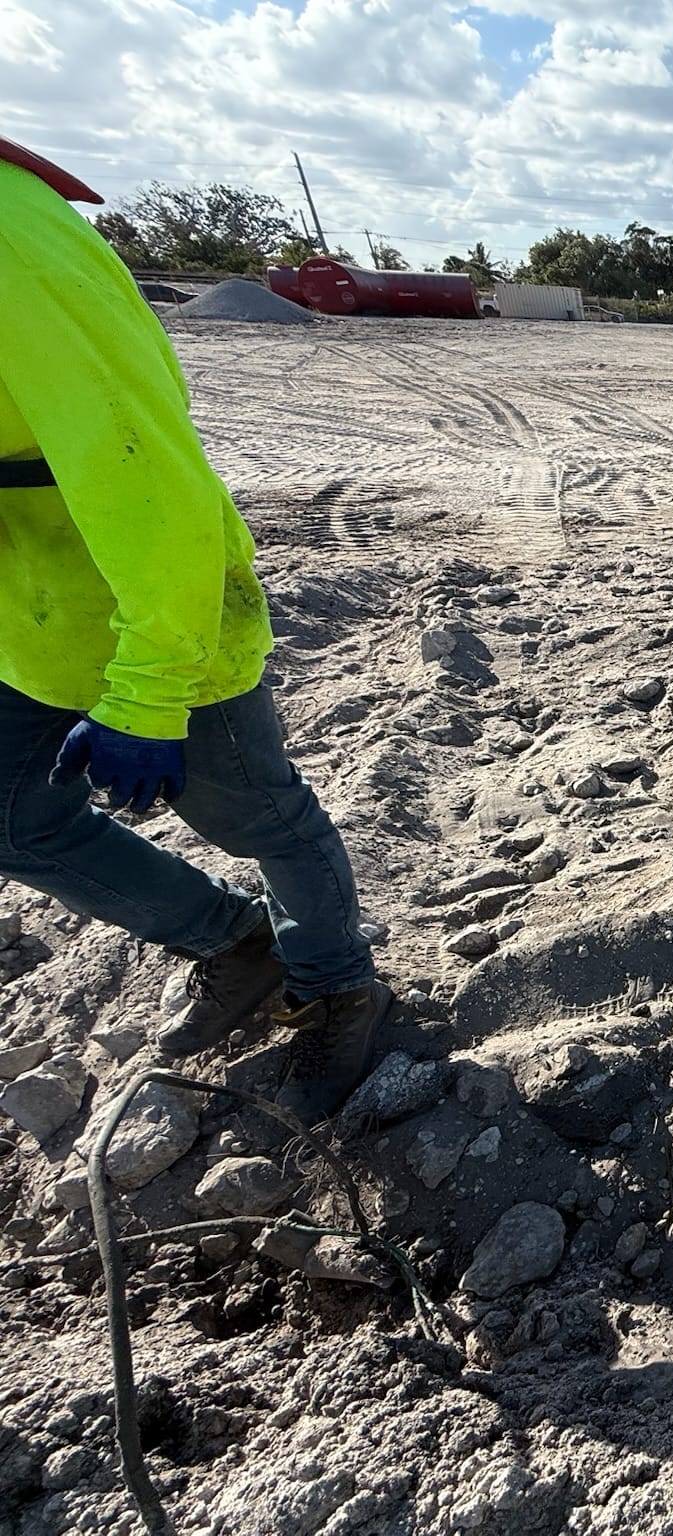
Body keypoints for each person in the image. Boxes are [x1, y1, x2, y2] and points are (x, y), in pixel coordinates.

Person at [0, 138, 386, 1122]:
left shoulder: (10, 240)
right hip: (25, 627)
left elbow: (142, 468)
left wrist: (149, 686)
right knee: (11, 819)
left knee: (257, 817)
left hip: (154, 612)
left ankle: (337, 982)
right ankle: (236, 943)